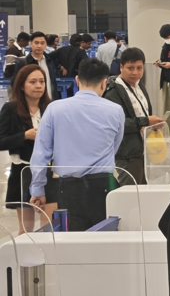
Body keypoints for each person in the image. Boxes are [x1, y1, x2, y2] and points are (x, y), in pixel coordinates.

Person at [29, 58, 124, 231]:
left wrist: (37, 188)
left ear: (77, 80)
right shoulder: (115, 110)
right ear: (104, 83)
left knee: (73, 243)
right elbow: (114, 147)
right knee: (107, 240)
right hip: (104, 186)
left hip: (69, 188)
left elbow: (41, 153)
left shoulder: (54, 109)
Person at [0, 65, 52, 234]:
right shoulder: (10, 109)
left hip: (49, 170)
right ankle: (24, 260)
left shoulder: (51, 108)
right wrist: (25, 136)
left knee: (49, 226)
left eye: (42, 81)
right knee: (26, 229)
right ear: (22, 85)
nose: (38, 85)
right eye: (33, 82)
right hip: (22, 170)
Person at [103, 47, 165, 185]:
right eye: (130, 68)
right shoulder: (113, 91)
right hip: (126, 154)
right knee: (129, 195)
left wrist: (152, 124)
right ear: (121, 67)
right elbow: (117, 124)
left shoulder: (139, 85)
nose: (135, 72)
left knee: (142, 193)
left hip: (142, 151)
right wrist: (146, 121)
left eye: (139, 68)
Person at [12, 31, 60, 100]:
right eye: (36, 43)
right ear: (31, 44)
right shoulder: (23, 63)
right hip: (31, 103)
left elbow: (53, 83)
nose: (39, 46)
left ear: (46, 44)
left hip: (49, 102)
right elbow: (15, 84)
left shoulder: (50, 61)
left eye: (42, 43)